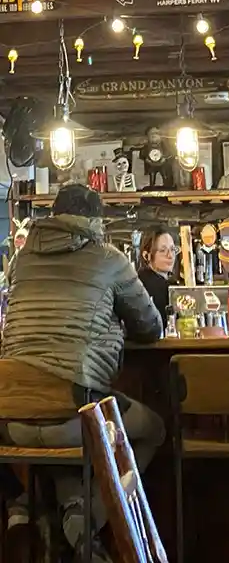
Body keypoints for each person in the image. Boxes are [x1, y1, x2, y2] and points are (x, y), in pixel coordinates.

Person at [2, 184, 164, 562]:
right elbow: (150, 327)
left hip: (10, 419)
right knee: (153, 428)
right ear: (94, 221)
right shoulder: (110, 258)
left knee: (57, 447)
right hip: (75, 416)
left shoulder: (21, 260)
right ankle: (86, 515)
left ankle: (26, 508)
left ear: (53, 216)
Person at [138, 225, 179, 327]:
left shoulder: (138, 279)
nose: (170, 255)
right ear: (146, 255)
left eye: (173, 249)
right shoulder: (155, 285)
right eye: (162, 250)